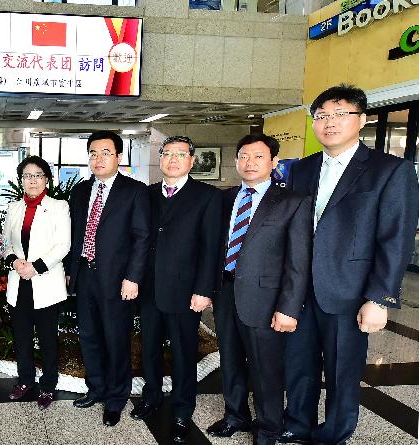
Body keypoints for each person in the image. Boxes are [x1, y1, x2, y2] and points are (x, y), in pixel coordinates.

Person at [281, 85, 419, 445]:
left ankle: (334, 434)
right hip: (301, 291)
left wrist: (379, 298)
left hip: (350, 292)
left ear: (362, 120)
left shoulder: (390, 170)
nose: (330, 122)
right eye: (322, 116)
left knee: (342, 372)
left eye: (340, 114)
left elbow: (395, 239)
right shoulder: (302, 169)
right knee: (298, 364)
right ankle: (297, 424)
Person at [206, 134, 311, 445]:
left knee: (266, 370)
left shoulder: (293, 201)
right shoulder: (225, 199)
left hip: (266, 299)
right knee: (230, 361)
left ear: (274, 162)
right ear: (236, 161)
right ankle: (235, 416)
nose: (249, 163)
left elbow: (298, 261)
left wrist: (289, 308)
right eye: (244, 156)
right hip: (225, 293)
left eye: (258, 156)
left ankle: (268, 429)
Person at [133, 136, 222, 442]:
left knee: (184, 353)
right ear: (160, 158)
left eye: (180, 154)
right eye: (167, 153)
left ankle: (183, 410)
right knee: (149, 348)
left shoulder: (208, 196)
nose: (173, 159)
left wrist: (204, 289)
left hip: (185, 292)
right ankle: (152, 396)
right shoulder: (146, 194)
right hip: (149, 289)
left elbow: (211, 248)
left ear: (191, 160)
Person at [66, 131, 151, 426]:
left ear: (118, 157)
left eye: (105, 153)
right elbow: (76, 234)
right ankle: (96, 388)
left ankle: (115, 398)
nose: (98, 159)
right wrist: (71, 271)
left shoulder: (134, 191)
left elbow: (142, 237)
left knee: (116, 339)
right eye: (93, 153)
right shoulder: (80, 191)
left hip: (117, 280)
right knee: (89, 336)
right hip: (84, 276)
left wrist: (133, 277)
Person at [3, 156, 71, 410]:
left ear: (47, 180)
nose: (33, 180)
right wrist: (14, 262)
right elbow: (5, 242)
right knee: (22, 337)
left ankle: (48, 384)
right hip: (19, 281)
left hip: (46, 281)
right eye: (27, 176)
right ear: (21, 180)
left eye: (38, 175)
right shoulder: (13, 208)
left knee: (47, 338)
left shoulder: (59, 206)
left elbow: (63, 244)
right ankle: (25, 380)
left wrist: (36, 267)